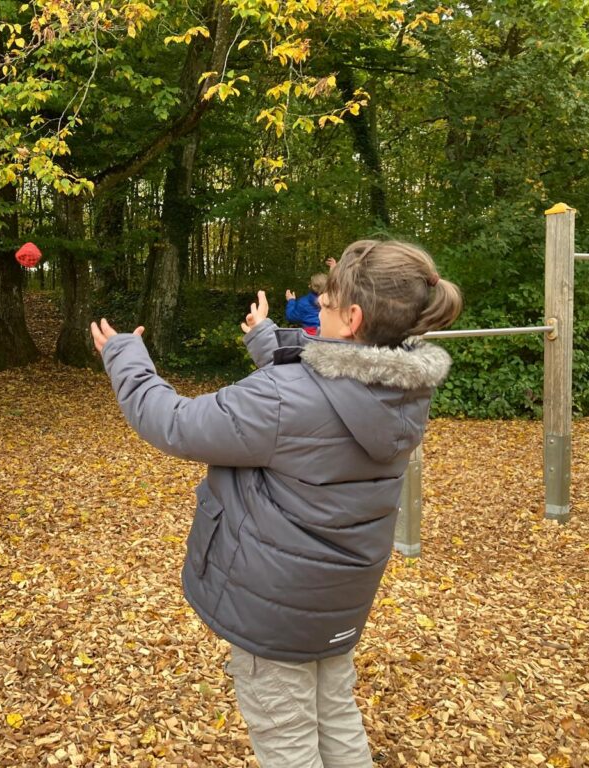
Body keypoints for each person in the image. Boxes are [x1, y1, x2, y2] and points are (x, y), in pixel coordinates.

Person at [90, 239, 462, 766]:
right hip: (337, 597)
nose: (320, 312)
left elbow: (175, 423)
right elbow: (328, 386)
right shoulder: (402, 387)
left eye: (327, 304)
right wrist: (267, 339)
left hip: (276, 605)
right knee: (335, 711)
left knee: (286, 736)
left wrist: (124, 356)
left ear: (352, 318)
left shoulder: (285, 398)